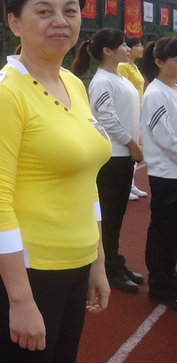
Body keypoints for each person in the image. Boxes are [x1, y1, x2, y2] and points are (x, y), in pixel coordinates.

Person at [0, 0, 111, 363]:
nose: (60, 21)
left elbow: (86, 181)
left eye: (70, 11)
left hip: (79, 260)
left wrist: (98, 260)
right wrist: (20, 299)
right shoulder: (4, 95)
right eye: (44, 11)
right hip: (32, 269)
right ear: (15, 23)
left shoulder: (73, 83)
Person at [71, 28, 145, 293]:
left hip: (124, 156)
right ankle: (108, 267)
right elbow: (107, 118)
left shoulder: (119, 78)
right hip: (112, 157)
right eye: (123, 45)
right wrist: (132, 145)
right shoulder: (102, 81)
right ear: (107, 51)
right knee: (109, 216)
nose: (128, 48)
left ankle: (113, 260)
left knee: (116, 215)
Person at [140, 37, 177, 309]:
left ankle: (168, 278)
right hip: (166, 174)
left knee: (172, 232)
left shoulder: (172, 89)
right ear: (159, 62)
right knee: (163, 232)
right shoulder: (156, 94)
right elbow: (166, 139)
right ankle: (160, 287)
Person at [118, 36, 148, 200]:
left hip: (139, 110)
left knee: (139, 145)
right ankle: (126, 185)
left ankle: (131, 184)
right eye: (137, 45)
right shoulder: (123, 67)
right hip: (131, 111)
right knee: (132, 146)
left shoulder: (134, 67)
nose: (141, 48)